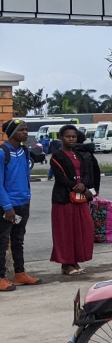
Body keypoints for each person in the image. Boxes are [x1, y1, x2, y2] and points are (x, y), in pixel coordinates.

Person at [49, 125, 100, 276]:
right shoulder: (57, 156)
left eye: (74, 136)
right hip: (63, 199)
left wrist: (84, 186)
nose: (71, 139)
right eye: (67, 136)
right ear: (60, 137)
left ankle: (75, 260)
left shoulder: (79, 154)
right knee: (65, 231)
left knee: (82, 229)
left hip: (80, 198)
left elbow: (86, 173)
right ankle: (66, 263)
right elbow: (60, 178)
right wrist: (75, 186)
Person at [0, 120, 39, 290]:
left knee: (18, 239)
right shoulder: (2, 152)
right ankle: (1, 277)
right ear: (11, 132)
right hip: (7, 206)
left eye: (26, 129)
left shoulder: (24, 151)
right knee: (2, 242)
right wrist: (7, 206)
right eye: (21, 130)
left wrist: (28, 197)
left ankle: (20, 273)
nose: (26, 133)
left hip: (23, 203)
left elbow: (25, 177)